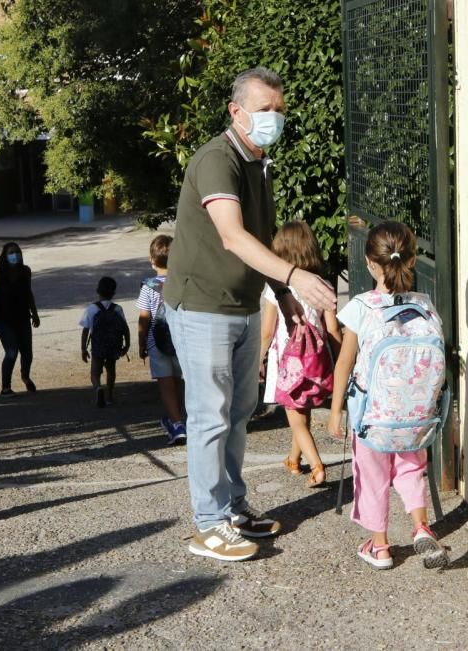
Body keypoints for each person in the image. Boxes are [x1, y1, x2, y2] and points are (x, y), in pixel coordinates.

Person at [163, 67, 337, 562]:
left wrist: (282, 298)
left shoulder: (259, 163)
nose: (274, 119)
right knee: (210, 417)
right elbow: (233, 236)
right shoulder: (218, 160)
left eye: (279, 110)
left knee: (238, 414)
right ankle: (209, 524)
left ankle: (234, 508)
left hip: (238, 305)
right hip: (202, 308)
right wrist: (295, 278)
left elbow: (257, 243)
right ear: (236, 112)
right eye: (264, 111)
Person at [327, 221, 446, 571]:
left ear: (369, 263)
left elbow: (345, 362)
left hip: (372, 417)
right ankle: (421, 526)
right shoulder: (424, 304)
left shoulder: (361, 307)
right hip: (416, 414)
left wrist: (336, 410)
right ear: (411, 261)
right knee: (412, 468)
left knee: (373, 477)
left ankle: (379, 547)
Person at [259, 222, 342, 488]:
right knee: (301, 411)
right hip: (315, 361)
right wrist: (341, 361)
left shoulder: (277, 289)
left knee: (295, 418)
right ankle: (294, 459)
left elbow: (266, 332)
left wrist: (258, 359)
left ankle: (317, 466)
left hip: (288, 363)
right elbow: (333, 330)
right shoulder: (323, 285)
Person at [136, 235, 187, 445]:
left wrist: (141, 342)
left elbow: (144, 317)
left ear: (151, 260)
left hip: (156, 341)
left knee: (166, 383)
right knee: (181, 380)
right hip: (182, 338)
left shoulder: (148, 286)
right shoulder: (183, 283)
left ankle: (176, 424)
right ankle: (183, 417)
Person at [0, 242, 40, 395]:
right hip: (2, 319)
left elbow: (29, 293)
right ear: (5, 255)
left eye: (17, 252)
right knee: (12, 351)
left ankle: (25, 376)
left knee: (27, 352)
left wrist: (34, 313)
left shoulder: (25, 271)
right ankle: (6, 387)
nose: (15, 255)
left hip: (22, 317)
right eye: (11, 252)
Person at [80, 276, 130, 408]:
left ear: (98, 291)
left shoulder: (91, 309)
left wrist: (83, 349)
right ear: (113, 293)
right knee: (111, 371)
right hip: (113, 347)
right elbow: (125, 328)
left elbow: (85, 330)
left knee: (95, 373)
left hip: (98, 347)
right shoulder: (117, 309)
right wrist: (127, 345)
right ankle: (109, 397)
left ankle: (98, 388)